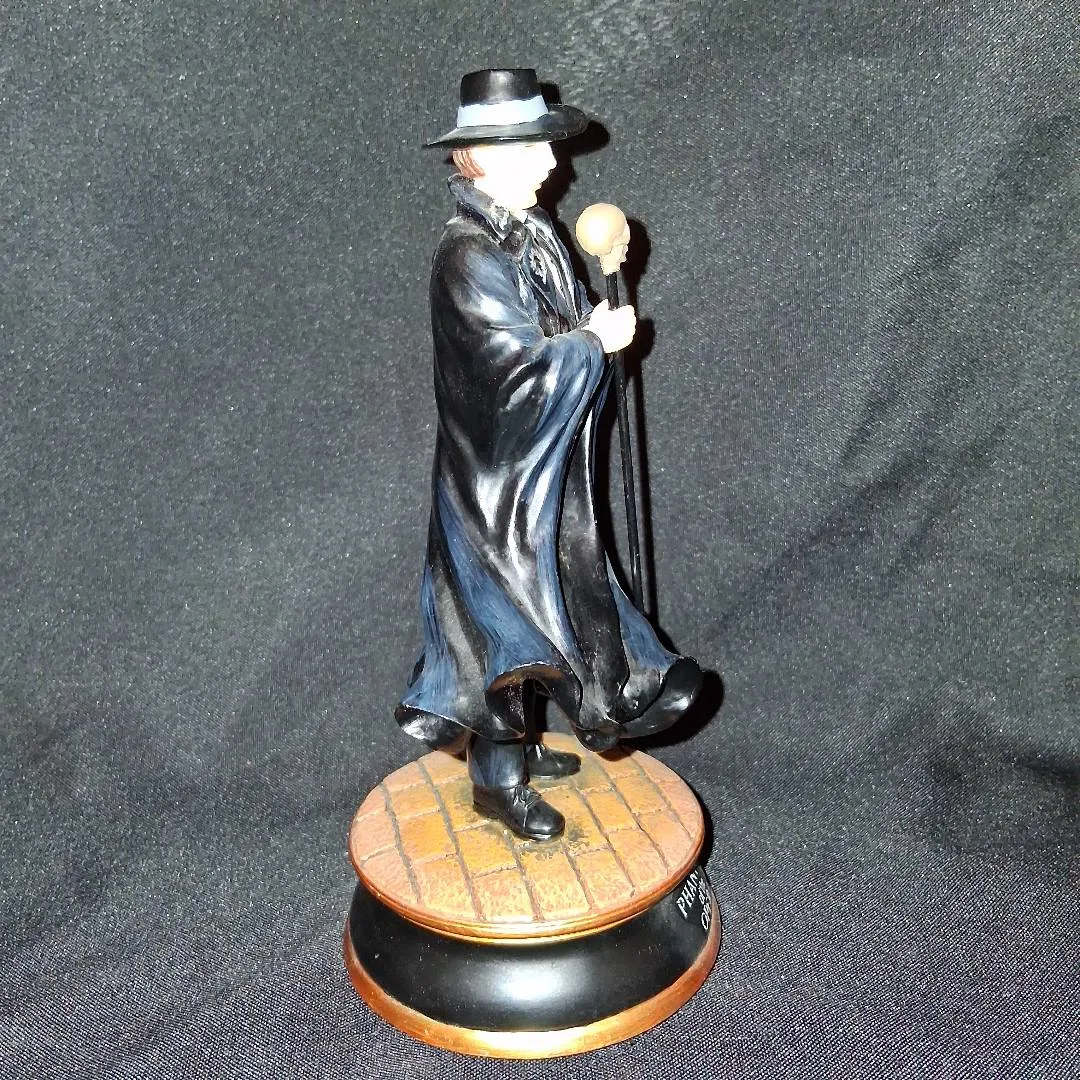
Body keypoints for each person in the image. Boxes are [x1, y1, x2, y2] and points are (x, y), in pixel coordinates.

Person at [395, 69, 701, 841]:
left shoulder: (533, 233)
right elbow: (509, 375)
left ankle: (558, 728)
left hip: (541, 479)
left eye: (545, 147)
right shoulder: (467, 256)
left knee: (551, 607)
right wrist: (591, 346)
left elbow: (556, 324)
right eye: (529, 150)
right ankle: (497, 779)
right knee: (500, 629)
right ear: (480, 158)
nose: (550, 165)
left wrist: (593, 321)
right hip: (494, 492)